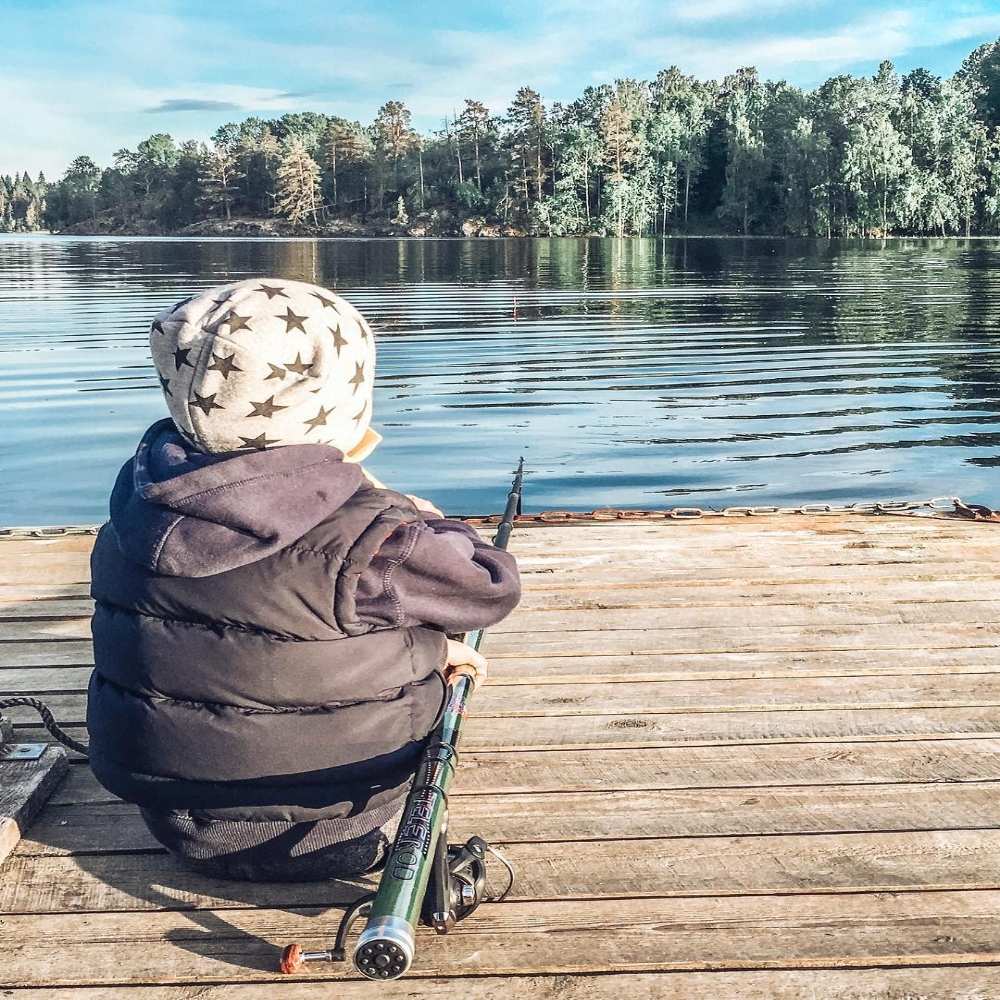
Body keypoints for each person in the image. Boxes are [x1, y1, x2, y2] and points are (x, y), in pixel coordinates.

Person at [86, 277, 521, 881]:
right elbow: (489, 587)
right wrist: (429, 521)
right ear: (341, 407)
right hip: (335, 811)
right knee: (415, 632)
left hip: (170, 809)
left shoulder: (137, 508)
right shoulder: (376, 538)